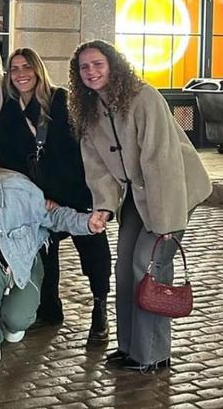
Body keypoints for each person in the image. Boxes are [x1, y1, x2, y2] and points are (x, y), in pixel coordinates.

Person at [68, 40, 211, 372]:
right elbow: (97, 166)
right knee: (125, 268)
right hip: (137, 192)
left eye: (98, 64)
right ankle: (129, 346)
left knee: (149, 267)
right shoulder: (89, 110)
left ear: (114, 65)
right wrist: (104, 206)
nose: (91, 71)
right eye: (84, 67)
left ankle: (151, 355)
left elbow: (162, 160)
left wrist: (163, 222)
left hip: (173, 190)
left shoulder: (144, 97)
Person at [0, 142, 107, 364]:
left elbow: (52, 216)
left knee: (17, 320)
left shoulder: (15, 187)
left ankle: (10, 316)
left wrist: (86, 223)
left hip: (25, 260)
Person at [0, 47, 112, 343]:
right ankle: (49, 307)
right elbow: (9, 160)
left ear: (38, 70)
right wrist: (33, 197)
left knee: (92, 248)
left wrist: (76, 194)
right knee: (44, 251)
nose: (21, 74)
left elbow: (79, 148)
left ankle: (100, 308)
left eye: (27, 67)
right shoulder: (9, 112)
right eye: (15, 69)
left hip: (74, 190)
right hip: (40, 197)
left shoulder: (61, 101)